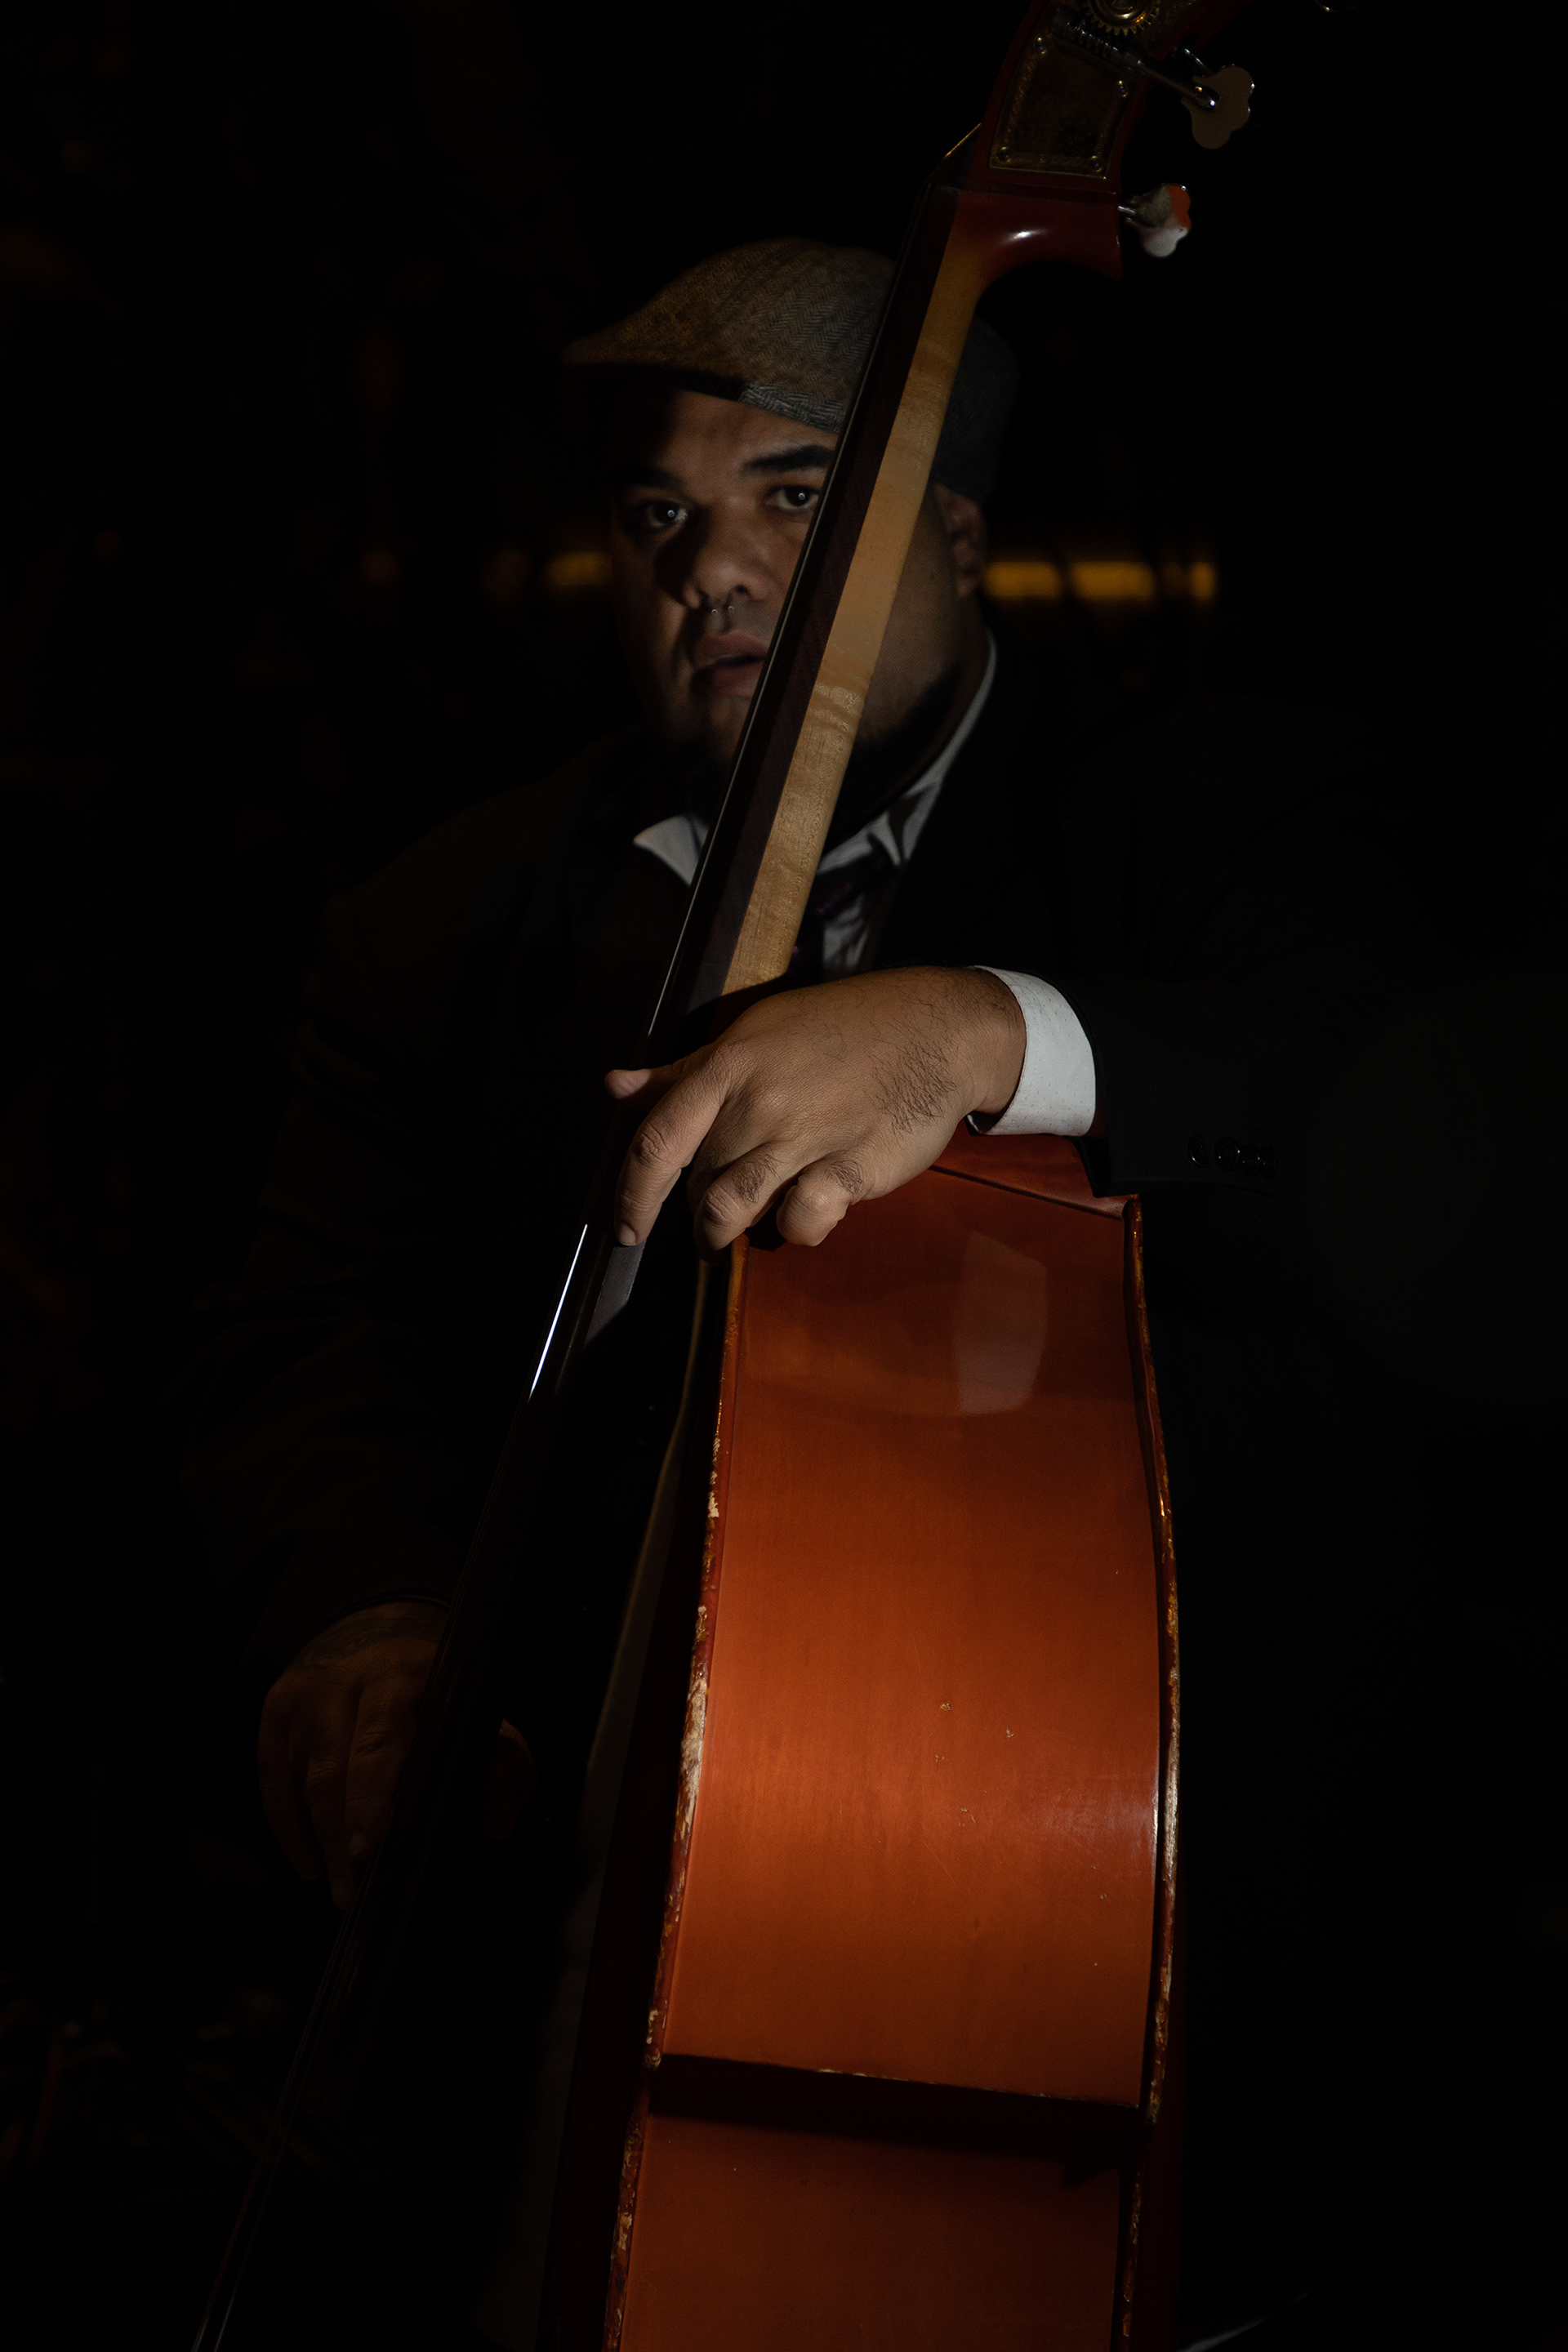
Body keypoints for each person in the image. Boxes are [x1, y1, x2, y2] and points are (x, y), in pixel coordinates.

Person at [180, 238, 1425, 2330]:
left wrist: (984, 1031)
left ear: (955, 536)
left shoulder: (1206, 807)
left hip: (1078, 1952)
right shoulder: (442, 917)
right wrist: (369, 1616)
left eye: (792, 494)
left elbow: (1375, 1124)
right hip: (547, 1946)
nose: (716, 569)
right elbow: (310, 1331)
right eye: (660, 515)